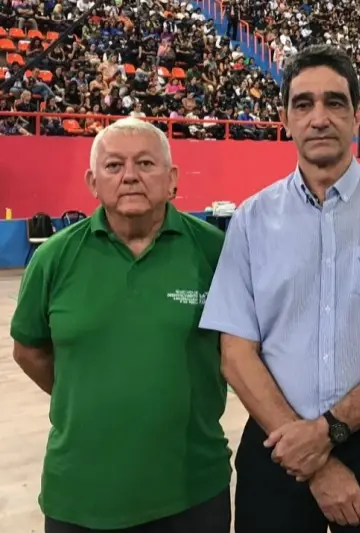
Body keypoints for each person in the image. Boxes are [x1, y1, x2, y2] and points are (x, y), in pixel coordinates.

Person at [198, 44, 360, 533]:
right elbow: (235, 353)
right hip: (279, 446)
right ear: (286, 119)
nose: (319, 117)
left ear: (357, 115)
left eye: (335, 102)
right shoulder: (252, 219)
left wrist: (328, 432)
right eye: (304, 104)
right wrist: (310, 453)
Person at [10, 118, 232, 533]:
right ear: (93, 183)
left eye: (146, 163)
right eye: (114, 166)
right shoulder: (53, 258)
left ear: (172, 179)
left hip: (192, 491)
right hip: (79, 494)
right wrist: (89, 394)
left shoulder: (215, 252)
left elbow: (239, 353)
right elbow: (29, 350)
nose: (130, 176)